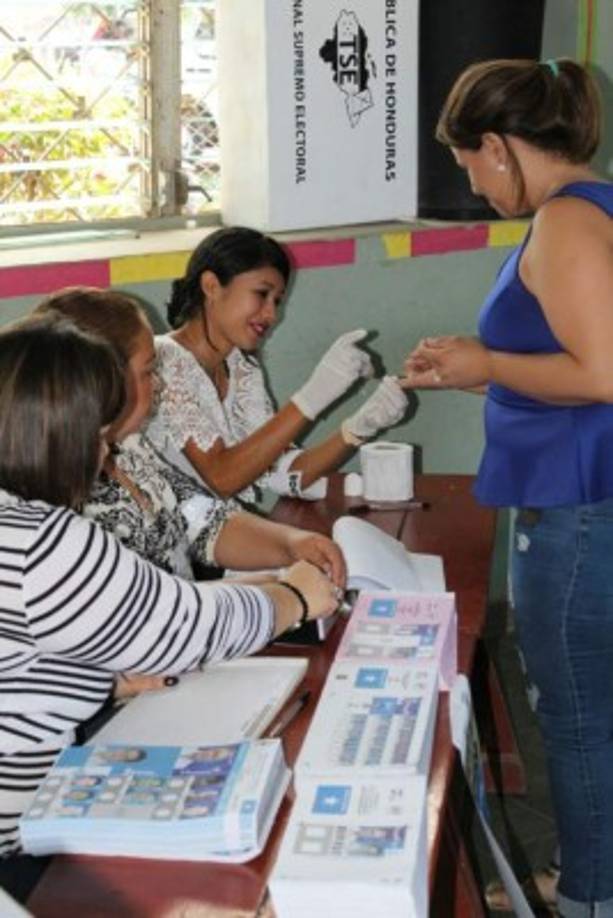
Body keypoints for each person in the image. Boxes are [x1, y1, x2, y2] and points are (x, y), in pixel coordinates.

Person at [0, 314, 340, 857]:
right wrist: (294, 598)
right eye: (98, 434)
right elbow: (184, 629)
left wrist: (99, 681)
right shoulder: (40, 541)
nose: (108, 451)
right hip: (19, 844)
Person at [403, 58, 613, 917]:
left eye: (470, 167)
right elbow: (567, 367)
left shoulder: (565, 221)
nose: (478, 187)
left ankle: (591, 897)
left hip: (577, 510)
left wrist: (487, 361)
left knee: (571, 719)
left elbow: (603, 373)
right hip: (583, 490)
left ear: (496, 144)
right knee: (586, 710)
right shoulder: (589, 211)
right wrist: (479, 375)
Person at [34, 287, 346, 588]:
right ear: (103, 380)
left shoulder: (130, 447)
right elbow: (143, 610)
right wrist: (278, 594)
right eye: (148, 371)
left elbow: (202, 519)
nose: (158, 384)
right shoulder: (66, 492)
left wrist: (293, 543)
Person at [145, 226, 409, 501]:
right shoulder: (162, 360)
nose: (271, 313)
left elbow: (281, 472)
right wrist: (313, 395)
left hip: (226, 531)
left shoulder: (241, 368)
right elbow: (222, 479)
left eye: (277, 300)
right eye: (261, 293)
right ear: (211, 286)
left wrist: (358, 428)